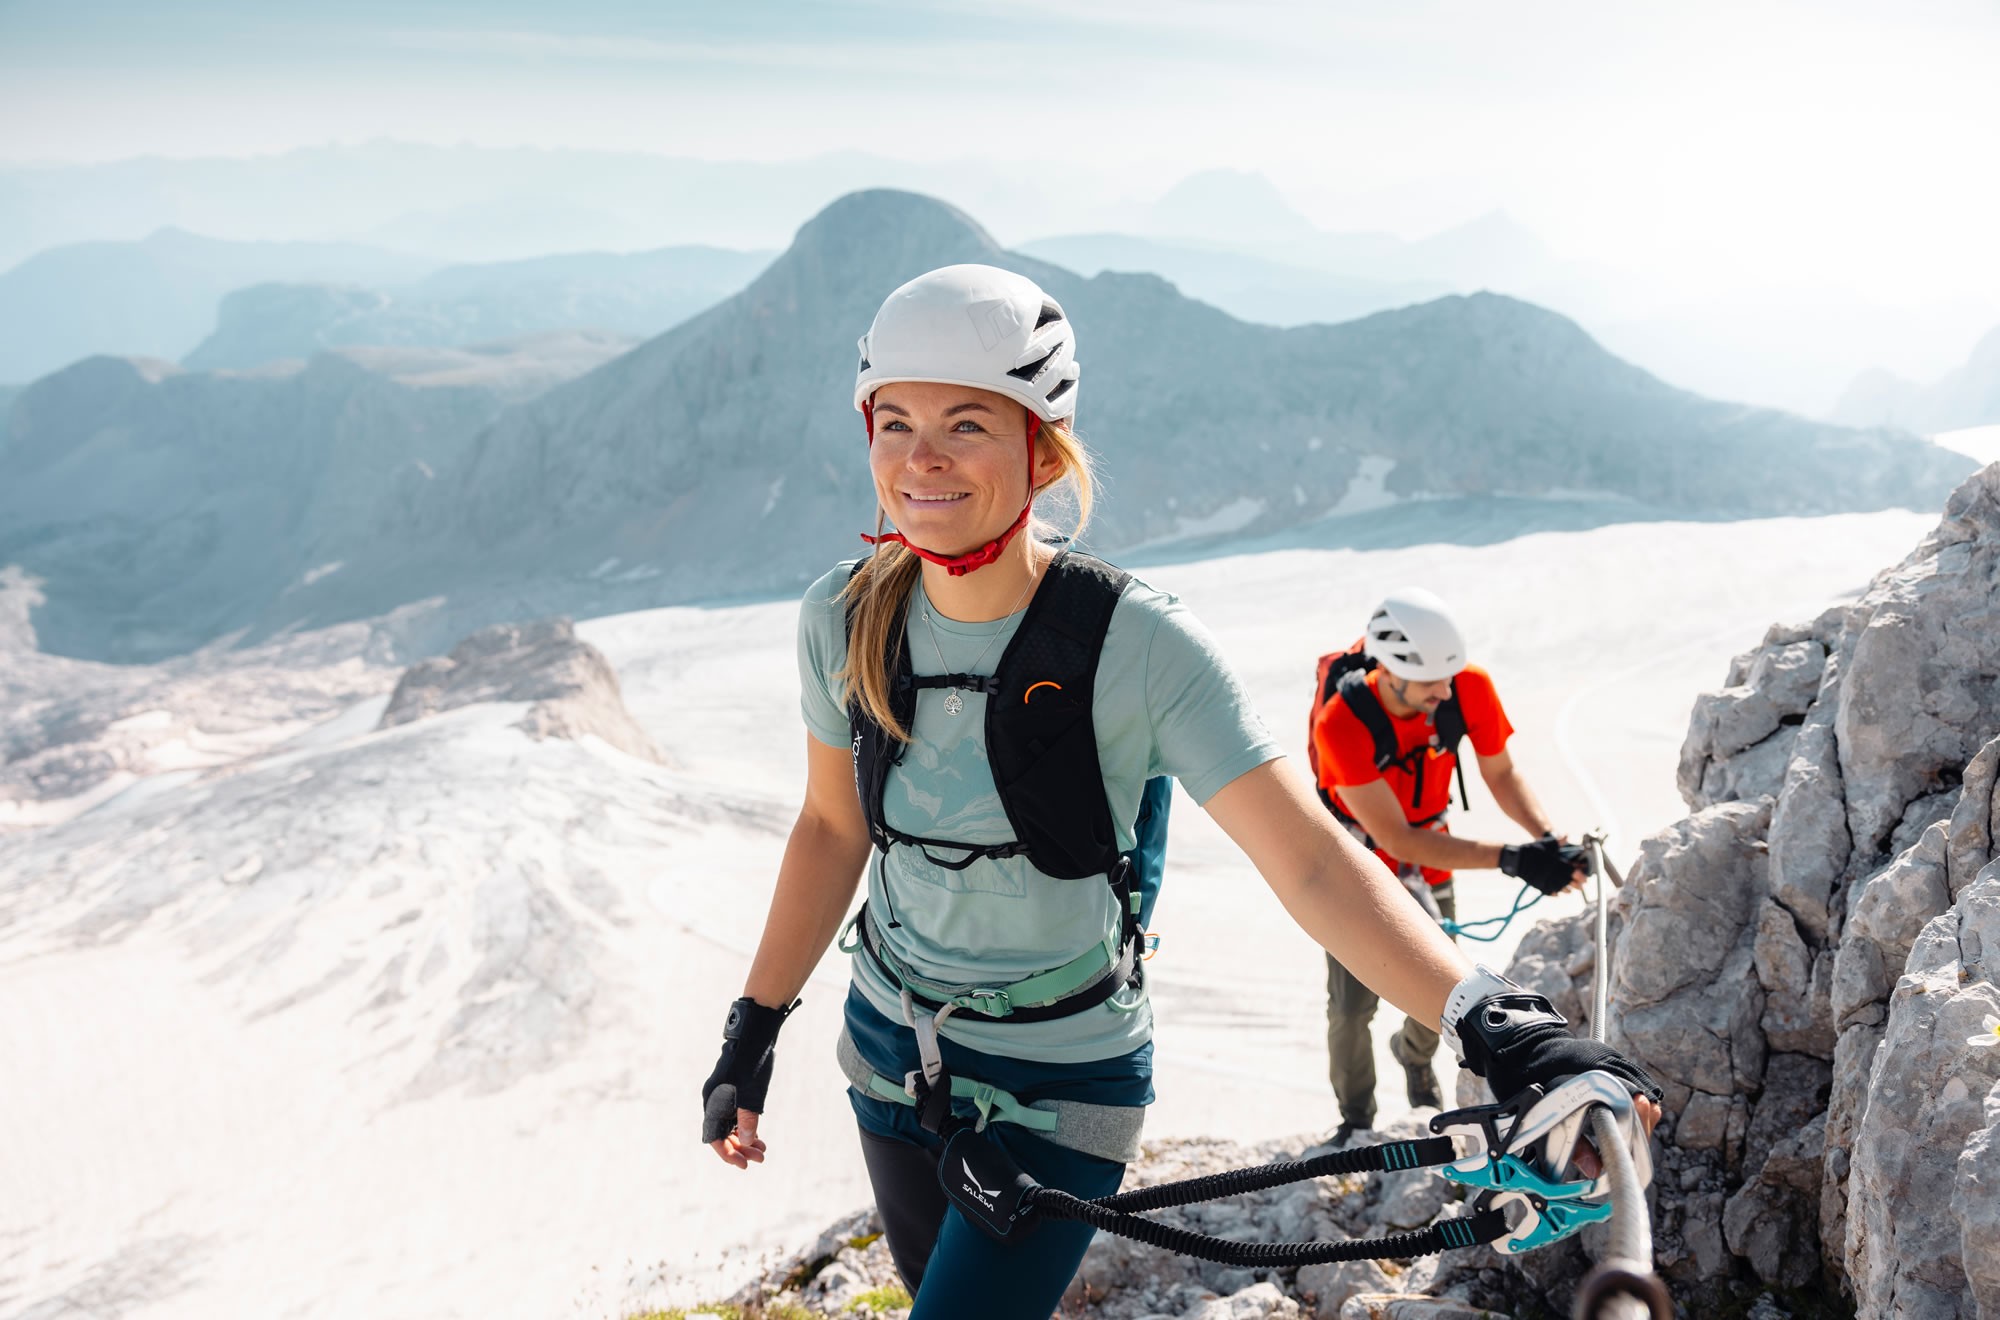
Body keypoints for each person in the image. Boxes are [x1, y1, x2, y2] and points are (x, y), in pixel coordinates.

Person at [701, 263, 1661, 1320]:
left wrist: (1491, 1019)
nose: (919, 458)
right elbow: (831, 827)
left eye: (965, 423)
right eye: (895, 423)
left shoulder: (1142, 645)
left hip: (1061, 1082)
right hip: (889, 1057)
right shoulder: (841, 617)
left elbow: (1309, 857)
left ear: (1042, 448)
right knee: (935, 1292)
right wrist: (754, 1027)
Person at [1308, 590, 1590, 1140]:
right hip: (1355, 865)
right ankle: (1356, 1123)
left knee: (1443, 994)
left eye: (1448, 677)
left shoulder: (1466, 686)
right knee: (1351, 1008)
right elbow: (1396, 839)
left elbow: (1501, 774)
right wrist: (1513, 859)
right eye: (1430, 683)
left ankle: (1414, 1057)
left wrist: (1546, 842)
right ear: (1390, 671)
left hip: (1432, 855)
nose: (1445, 691)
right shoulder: (1340, 724)